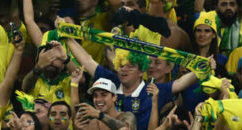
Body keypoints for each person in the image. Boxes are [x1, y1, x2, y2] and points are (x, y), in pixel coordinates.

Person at [67, 35, 199, 130]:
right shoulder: (112, 81)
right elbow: (88, 61)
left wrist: (203, 68)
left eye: (130, 66)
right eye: (121, 65)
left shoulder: (153, 90)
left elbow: (181, 83)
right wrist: (68, 37)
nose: (124, 69)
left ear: (141, 71)